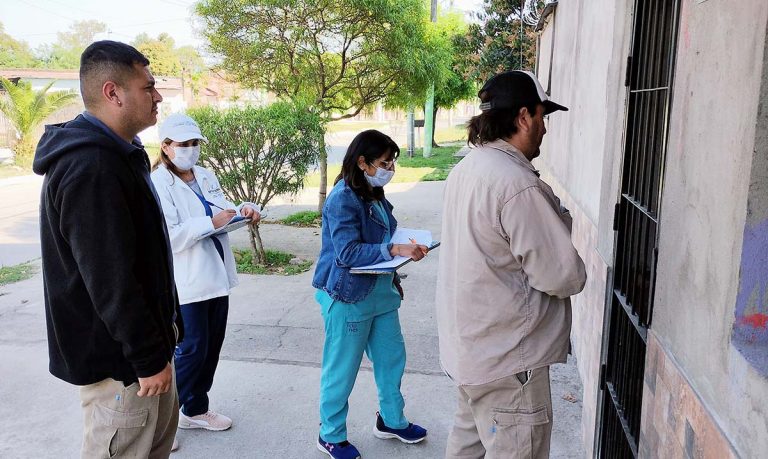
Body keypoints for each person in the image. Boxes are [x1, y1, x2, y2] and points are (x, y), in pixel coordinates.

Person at [32, 40, 181, 458]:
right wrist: (147, 358)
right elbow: (111, 280)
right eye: (148, 87)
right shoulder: (91, 166)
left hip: (145, 353)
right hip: (123, 367)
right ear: (113, 93)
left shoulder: (120, 154)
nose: (158, 96)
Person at [436, 70, 587, 459]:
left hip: (471, 356)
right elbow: (564, 276)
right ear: (523, 117)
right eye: (542, 116)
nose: (544, 129)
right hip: (508, 367)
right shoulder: (516, 184)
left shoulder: (468, 169)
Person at [311, 130, 429, 459]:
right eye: (384, 163)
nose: (390, 169)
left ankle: (391, 420)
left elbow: (386, 233)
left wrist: (403, 252)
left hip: (381, 293)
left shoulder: (373, 192)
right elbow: (347, 253)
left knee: (392, 360)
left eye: (392, 163)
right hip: (347, 297)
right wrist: (393, 249)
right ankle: (330, 434)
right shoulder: (342, 198)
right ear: (362, 162)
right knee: (342, 370)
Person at [150, 113, 261, 440]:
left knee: (211, 348)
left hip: (216, 275)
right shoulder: (158, 183)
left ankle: (195, 409)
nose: (191, 149)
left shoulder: (205, 175)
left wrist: (243, 210)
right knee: (191, 350)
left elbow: (219, 208)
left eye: (195, 143)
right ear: (166, 147)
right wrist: (210, 224)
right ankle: (161, 426)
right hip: (187, 282)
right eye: (183, 144)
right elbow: (168, 236)